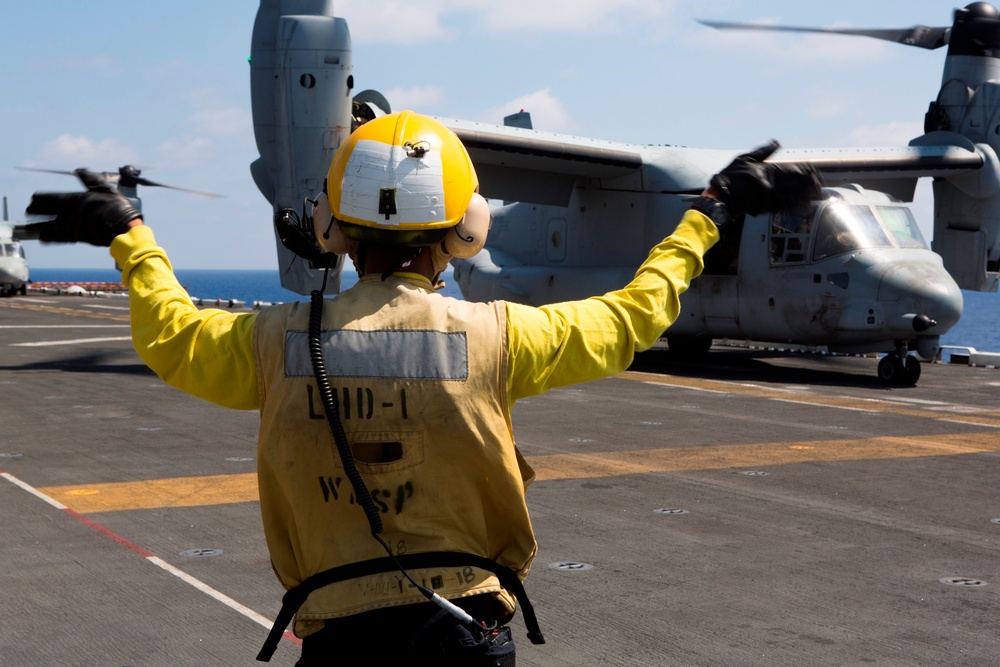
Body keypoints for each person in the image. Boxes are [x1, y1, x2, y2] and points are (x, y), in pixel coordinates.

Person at [24, 112, 820, 666]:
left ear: (334, 227)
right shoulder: (505, 337)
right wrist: (707, 214)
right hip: (466, 633)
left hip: (338, 637)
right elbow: (633, 313)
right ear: (464, 226)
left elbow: (170, 332)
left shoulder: (273, 342)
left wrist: (132, 235)